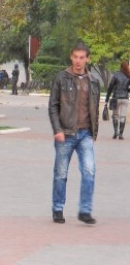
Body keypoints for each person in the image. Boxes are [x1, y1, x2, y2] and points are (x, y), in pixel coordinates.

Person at [49, 42, 99, 225]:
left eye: (82, 57)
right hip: (66, 134)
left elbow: (94, 108)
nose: (78, 61)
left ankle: (85, 211)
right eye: (75, 57)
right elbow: (53, 106)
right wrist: (57, 130)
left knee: (89, 171)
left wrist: (94, 133)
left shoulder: (93, 81)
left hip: (85, 134)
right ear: (71, 57)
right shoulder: (61, 78)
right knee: (61, 173)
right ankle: (58, 208)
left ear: (87, 59)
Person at [105, 60, 130, 139]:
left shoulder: (116, 75)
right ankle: (121, 134)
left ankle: (116, 132)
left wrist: (107, 98)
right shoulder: (128, 75)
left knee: (115, 115)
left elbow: (110, 88)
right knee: (123, 116)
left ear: (120, 66)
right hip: (125, 98)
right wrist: (126, 90)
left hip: (116, 98)